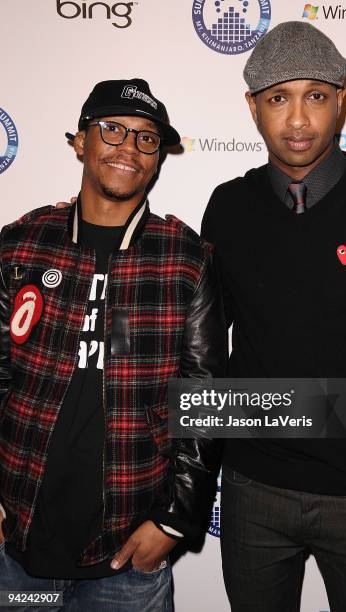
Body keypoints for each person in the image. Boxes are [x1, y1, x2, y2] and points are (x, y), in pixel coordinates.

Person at [201, 21, 346, 612]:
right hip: (251, 491)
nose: (298, 121)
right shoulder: (227, 206)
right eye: (278, 98)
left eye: (316, 96)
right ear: (252, 107)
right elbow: (201, 339)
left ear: (342, 99)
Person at [0, 78, 226, 611]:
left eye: (146, 137)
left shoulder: (186, 257)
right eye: (112, 130)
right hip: (18, 547)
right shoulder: (21, 244)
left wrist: (175, 519)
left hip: (128, 555)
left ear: (158, 158)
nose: (129, 147)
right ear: (81, 142)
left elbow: (204, 397)